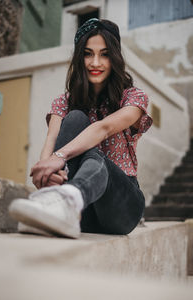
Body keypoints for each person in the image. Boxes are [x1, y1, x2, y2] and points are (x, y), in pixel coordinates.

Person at [9, 18, 153, 238]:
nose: (95, 62)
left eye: (104, 54)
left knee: (97, 159)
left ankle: (68, 198)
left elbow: (103, 128)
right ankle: (58, 206)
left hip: (121, 206)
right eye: (87, 53)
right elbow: (50, 145)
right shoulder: (63, 102)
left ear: (115, 58)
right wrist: (47, 176)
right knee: (75, 117)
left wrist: (61, 155)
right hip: (83, 212)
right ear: (79, 57)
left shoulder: (133, 98)